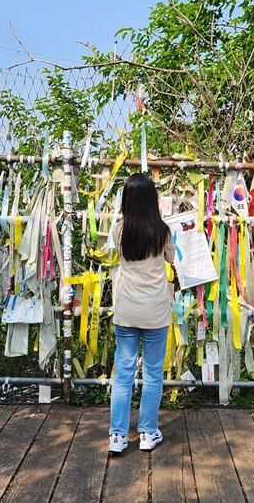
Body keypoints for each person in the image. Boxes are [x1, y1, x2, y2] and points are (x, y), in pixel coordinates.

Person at [108, 173, 175, 453]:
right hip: (156, 312)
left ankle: (118, 437)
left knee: (123, 373)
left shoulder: (119, 230)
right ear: (152, 200)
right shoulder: (162, 231)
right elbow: (171, 259)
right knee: (152, 373)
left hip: (126, 311)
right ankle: (148, 433)